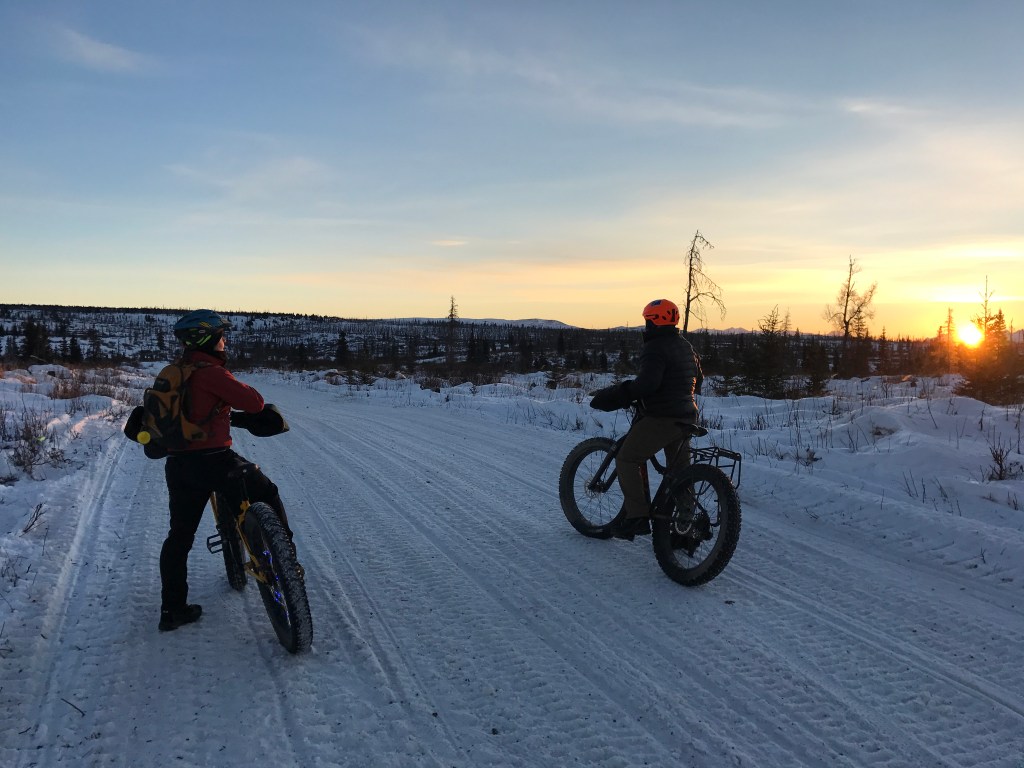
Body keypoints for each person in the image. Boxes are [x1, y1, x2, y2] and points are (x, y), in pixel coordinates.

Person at [157, 309, 293, 632]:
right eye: (220, 336)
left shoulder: (173, 372)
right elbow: (255, 403)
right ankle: (287, 560)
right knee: (267, 491)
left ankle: (172, 610)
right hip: (216, 461)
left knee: (179, 537)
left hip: (178, 466)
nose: (225, 341)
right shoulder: (212, 373)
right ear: (207, 339)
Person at [590, 299, 703, 540]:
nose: (646, 325)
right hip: (687, 415)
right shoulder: (684, 345)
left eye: (647, 320)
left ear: (655, 321)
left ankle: (637, 518)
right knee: (679, 472)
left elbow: (648, 384)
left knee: (628, 458)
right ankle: (684, 527)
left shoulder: (655, 347)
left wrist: (620, 394)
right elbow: (698, 379)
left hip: (663, 417)